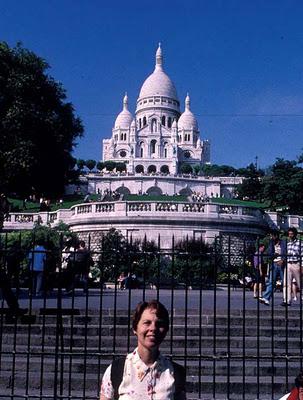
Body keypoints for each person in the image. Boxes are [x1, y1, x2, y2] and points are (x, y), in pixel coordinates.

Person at [100, 300, 186, 400]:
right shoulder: (116, 370)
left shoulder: (176, 373)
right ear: (135, 328)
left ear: (165, 330)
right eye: (147, 323)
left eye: (159, 324)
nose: (153, 328)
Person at [259, 231, 286, 305]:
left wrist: (282, 260)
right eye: (271, 236)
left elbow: (286, 253)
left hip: (282, 264)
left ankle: (286, 299)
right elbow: (269, 254)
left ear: (276, 236)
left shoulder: (283, 243)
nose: (271, 238)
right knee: (271, 282)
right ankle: (266, 298)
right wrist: (274, 254)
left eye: (272, 236)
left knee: (285, 282)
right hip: (274, 264)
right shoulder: (271, 243)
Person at [281, 227, 302, 307]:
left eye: (292, 234)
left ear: (295, 234)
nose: (290, 236)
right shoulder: (288, 243)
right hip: (289, 263)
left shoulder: (300, 243)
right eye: (289, 234)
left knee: (299, 284)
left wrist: (302, 265)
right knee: (286, 283)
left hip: (296, 264)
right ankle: (287, 300)